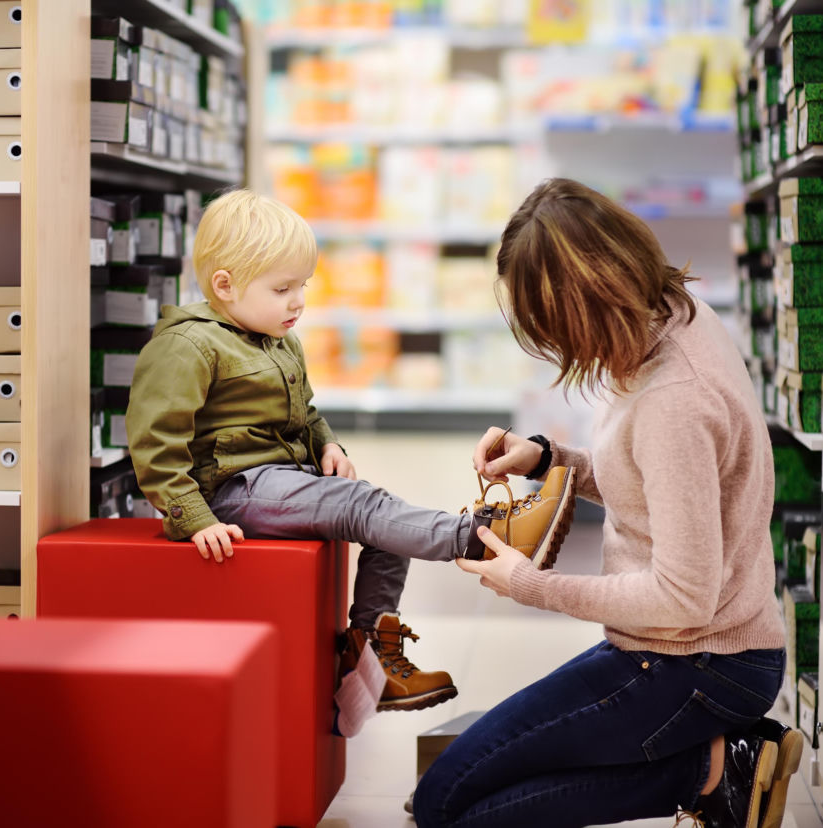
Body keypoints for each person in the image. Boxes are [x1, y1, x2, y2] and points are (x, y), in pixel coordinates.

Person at [411, 177, 802, 828]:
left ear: (591, 302)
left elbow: (683, 598)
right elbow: (652, 485)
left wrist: (532, 585)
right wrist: (548, 460)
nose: (559, 347)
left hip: (699, 663)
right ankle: (706, 764)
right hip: (684, 648)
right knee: (448, 795)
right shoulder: (675, 315)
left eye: (554, 326)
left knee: (448, 806)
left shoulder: (674, 401)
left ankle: (714, 769)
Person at [125, 187, 576, 714]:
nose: (298, 301)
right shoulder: (188, 346)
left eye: (303, 286)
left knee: (383, 523)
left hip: (280, 480)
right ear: (224, 285)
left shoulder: (278, 339)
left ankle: (371, 658)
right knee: (364, 508)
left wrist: (327, 444)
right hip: (230, 492)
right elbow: (155, 444)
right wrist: (195, 519)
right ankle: (482, 535)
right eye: (282, 288)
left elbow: (305, 412)